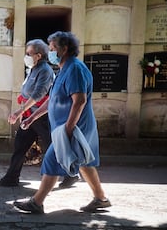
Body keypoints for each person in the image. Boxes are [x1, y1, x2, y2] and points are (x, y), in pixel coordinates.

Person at [13, 31, 111, 213]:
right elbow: (53, 100)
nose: (50, 52)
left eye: (52, 49)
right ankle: (101, 198)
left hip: (74, 127)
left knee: (51, 159)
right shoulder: (63, 69)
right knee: (84, 163)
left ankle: (36, 202)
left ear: (64, 49)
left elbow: (79, 101)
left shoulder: (75, 69)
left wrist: (68, 128)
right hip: (67, 127)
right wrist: (32, 117)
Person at [0, 39, 79, 187]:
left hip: (43, 117)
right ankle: (11, 177)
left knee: (54, 147)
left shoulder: (45, 70)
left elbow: (39, 94)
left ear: (38, 55)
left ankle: (71, 174)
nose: (26, 56)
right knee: (20, 145)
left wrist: (19, 111)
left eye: (29, 53)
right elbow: (28, 91)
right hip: (29, 116)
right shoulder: (33, 69)